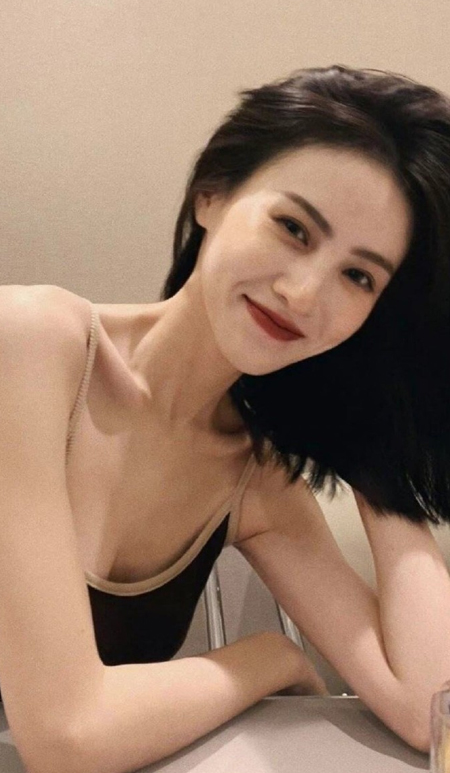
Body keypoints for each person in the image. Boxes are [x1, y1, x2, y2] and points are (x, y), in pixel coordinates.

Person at [1, 64, 450, 773]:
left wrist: (379, 445)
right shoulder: (32, 343)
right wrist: (268, 658)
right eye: (294, 228)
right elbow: (66, 736)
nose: (305, 294)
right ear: (211, 193)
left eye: (359, 276)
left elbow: (432, 709)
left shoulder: (253, 478)